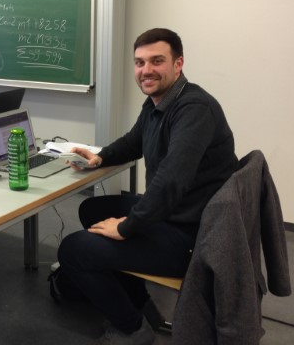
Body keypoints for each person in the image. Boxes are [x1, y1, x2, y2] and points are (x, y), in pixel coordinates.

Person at [56, 28, 238, 345]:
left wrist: (128, 226)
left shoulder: (194, 109)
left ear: (178, 64)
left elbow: (171, 180)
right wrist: (99, 158)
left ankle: (132, 329)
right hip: (177, 213)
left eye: (157, 61)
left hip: (192, 235)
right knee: (92, 209)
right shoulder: (159, 101)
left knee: (72, 251)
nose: (146, 70)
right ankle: (140, 303)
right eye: (140, 62)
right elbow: (133, 142)